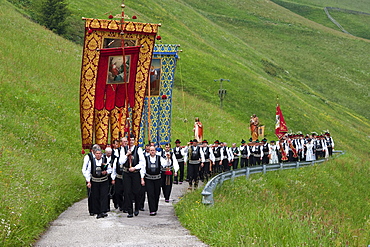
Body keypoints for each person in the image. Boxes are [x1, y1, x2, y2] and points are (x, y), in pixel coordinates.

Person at [119, 134, 145, 218]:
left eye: (133, 140)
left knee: (136, 191)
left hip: (135, 173)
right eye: (130, 140)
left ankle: (136, 208)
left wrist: (135, 168)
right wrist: (127, 154)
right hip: (126, 173)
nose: (131, 142)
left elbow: (142, 162)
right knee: (127, 192)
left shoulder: (138, 149)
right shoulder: (123, 149)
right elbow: (121, 162)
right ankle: (129, 210)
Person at [82, 147, 112, 219]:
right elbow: (88, 171)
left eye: (99, 154)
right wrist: (88, 181)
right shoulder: (91, 161)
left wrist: (106, 172)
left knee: (104, 196)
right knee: (96, 196)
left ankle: (103, 211)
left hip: (104, 180)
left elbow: (110, 169)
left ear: (101, 154)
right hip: (95, 181)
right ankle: (97, 211)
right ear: (94, 154)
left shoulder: (105, 160)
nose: (98, 155)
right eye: (97, 154)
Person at [143, 146, 168, 216]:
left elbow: (166, 164)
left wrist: (168, 159)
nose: (152, 152)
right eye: (151, 150)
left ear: (155, 151)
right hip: (149, 179)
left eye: (153, 150)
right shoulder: (146, 159)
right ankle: (152, 210)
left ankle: (155, 208)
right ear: (149, 151)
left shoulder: (159, 158)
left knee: (157, 194)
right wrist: (142, 179)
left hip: (157, 179)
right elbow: (143, 169)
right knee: (150, 194)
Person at [81, 144, 101, 216]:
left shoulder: (100, 157)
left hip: (97, 177)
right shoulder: (88, 157)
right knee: (91, 194)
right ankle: (92, 210)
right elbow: (84, 169)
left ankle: (98, 209)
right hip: (90, 177)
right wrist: (87, 178)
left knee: (97, 194)